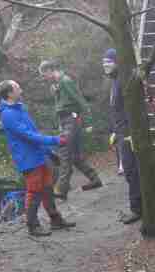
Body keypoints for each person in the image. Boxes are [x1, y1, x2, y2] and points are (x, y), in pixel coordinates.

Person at [0, 80, 76, 237]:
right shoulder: (8, 114)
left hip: (38, 155)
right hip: (27, 159)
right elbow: (28, 136)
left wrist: (49, 152)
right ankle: (33, 226)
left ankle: (55, 220)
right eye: (18, 88)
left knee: (47, 188)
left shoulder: (19, 109)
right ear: (10, 93)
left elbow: (34, 132)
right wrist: (55, 140)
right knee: (34, 191)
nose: (21, 90)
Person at [39, 59, 103, 200]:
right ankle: (94, 179)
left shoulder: (66, 82)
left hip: (72, 121)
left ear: (50, 71)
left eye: (44, 75)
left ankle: (62, 189)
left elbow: (81, 101)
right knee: (75, 156)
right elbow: (60, 107)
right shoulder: (57, 85)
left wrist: (89, 122)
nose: (44, 79)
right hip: (66, 121)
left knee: (64, 153)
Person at [103, 49, 142, 224]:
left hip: (128, 133)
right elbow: (115, 110)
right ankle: (138, 207)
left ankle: (138, 209)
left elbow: (129, 109)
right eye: (104, 61)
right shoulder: (114, 81)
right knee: (129, 171)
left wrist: (131, 133)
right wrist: (113, 130)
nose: (105, 64)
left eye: (109, 61)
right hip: (120, 132)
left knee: (132, 171)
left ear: (117, 62)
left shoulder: (122, 80)